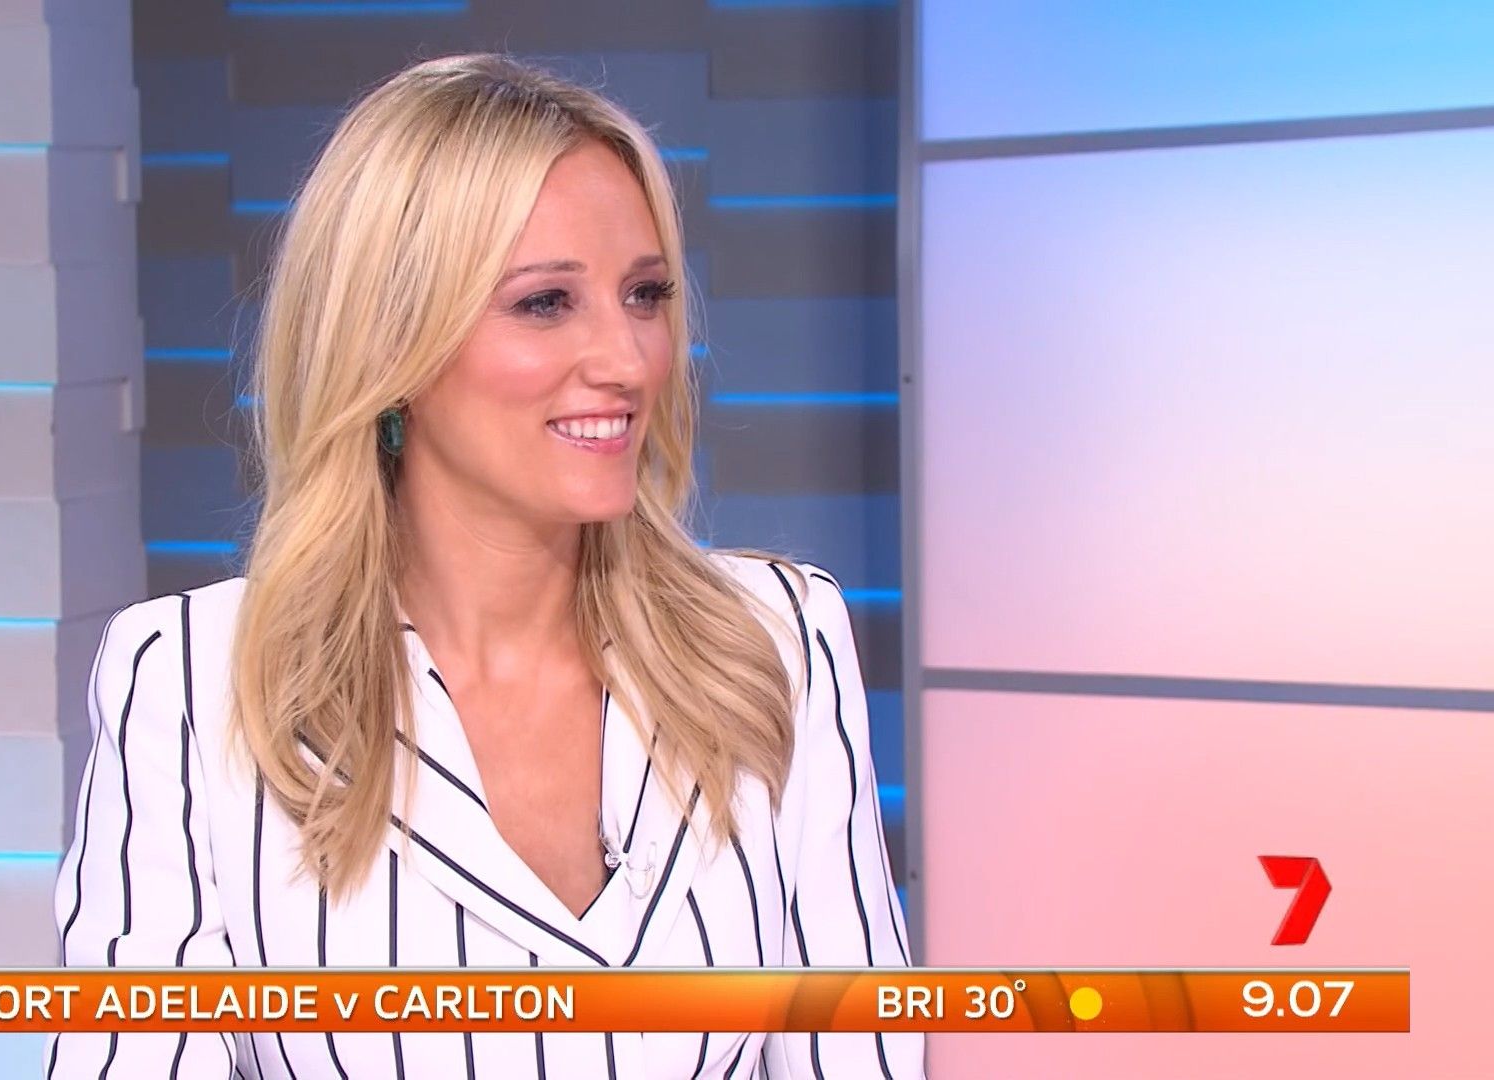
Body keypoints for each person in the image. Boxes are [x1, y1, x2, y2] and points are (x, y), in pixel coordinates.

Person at [48, 52, 922, 1080]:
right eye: (546, 303)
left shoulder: (776, 641)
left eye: (645, 294)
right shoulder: (194, 685)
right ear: (391, 344)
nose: (628, 359)